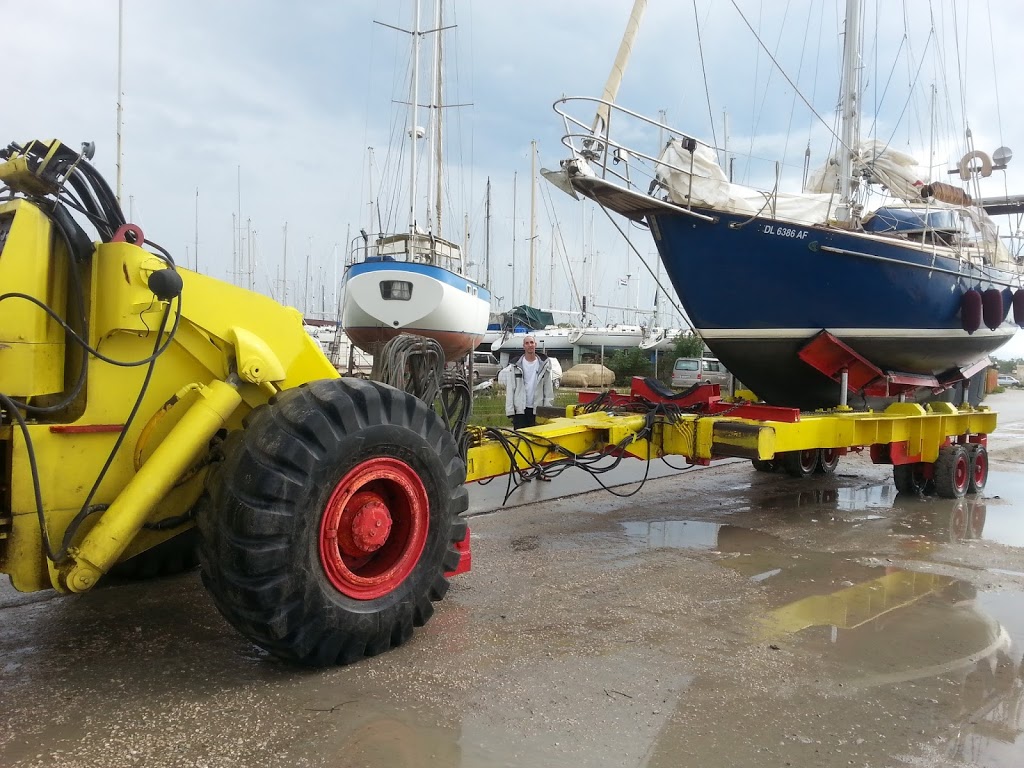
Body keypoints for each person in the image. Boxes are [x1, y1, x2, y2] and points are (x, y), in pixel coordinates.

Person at [498, 335, 555, 430]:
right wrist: (510, 411)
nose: (530, 345)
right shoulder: (515, 366)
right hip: (520, 410)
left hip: (537, 409)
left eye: (532, 342)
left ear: (535, 345)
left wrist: (547, 410)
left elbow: (548, 389)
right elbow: (511, 389)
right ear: (523, 346)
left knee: (536, 437)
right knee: (520, 437)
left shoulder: (544, 365)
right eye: (527, 343)